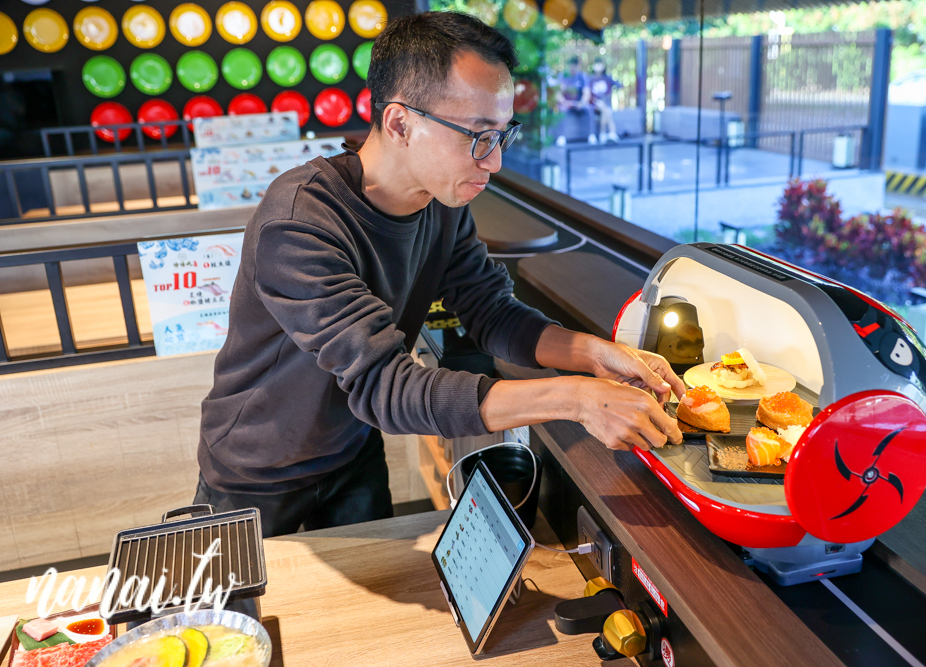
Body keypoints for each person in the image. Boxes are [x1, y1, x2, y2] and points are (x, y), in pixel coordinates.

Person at [193, 12, 683, 538]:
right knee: (241, 621)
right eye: (476, 136)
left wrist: (597, 355)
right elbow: (384, 385)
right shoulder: (299, 222)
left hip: (351, 452)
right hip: (257, 471)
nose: (492, 162)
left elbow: (492, 313)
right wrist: (576, 399)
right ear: (400, 123)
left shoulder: (441, 203)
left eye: (501, 135)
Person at [554, 56, 596, 145]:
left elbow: (586, 93)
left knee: (589, 109)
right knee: (561, 110)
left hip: (579, 103)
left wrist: (582, 103)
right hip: (566, 104)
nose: (572, 68)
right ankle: (561, 137)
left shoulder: (582, 76)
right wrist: (565, 102)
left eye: (574, 65)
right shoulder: (562, 76)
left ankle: (591, 135)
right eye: (570, 65)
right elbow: (558, 94)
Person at [587, 58, 621, 143]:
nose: (598, 67)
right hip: (594, 103)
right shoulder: (591, 79)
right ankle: (612, 132)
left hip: (606, 103)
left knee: (605, 110)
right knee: (605, 109)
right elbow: (588, 93)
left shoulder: (607, 78)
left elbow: (619, 85)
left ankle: (603, 134)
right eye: (596, 64)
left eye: (600, 64)